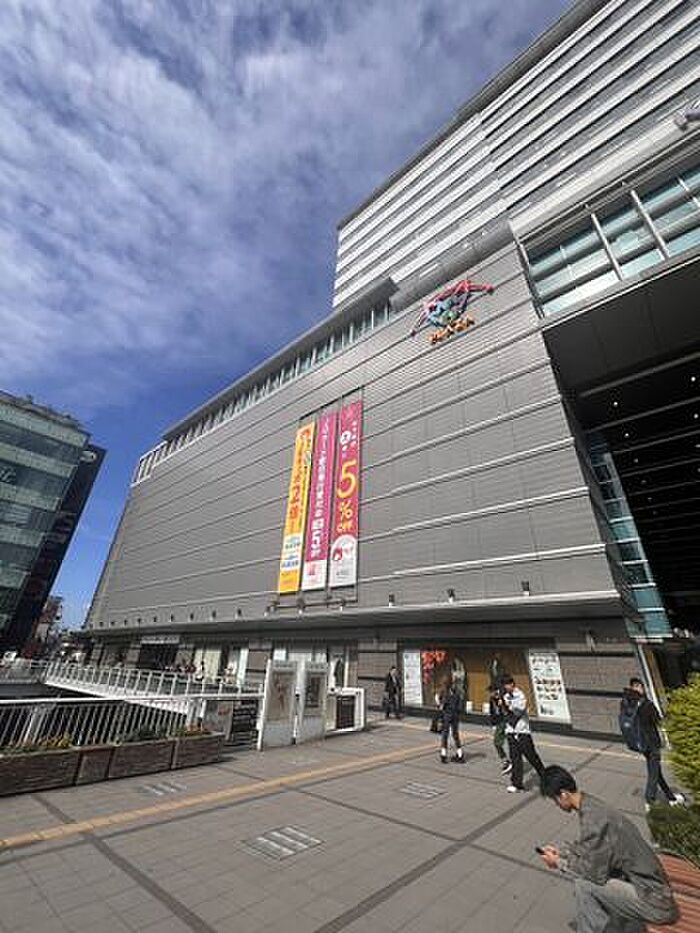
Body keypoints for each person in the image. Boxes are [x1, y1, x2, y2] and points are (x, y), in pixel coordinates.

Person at [539, 765, 678, 932]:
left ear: (563, 794)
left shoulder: (593, 820)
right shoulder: (592, 805)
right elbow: (591, 849)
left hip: (654, 900)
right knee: (594, 881)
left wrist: (558, 863)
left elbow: (592, 873)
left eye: (555, 800)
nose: (557, 805)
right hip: (651, 888)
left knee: (584, 885)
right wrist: (561, 852)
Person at [621, 677, 684, 811]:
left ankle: (671, 797)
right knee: (654, 772)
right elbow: (657, 720)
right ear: (639, 687)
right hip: (652, 742)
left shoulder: (625, 702)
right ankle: (650, 800)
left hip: (640, 742)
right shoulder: (646, 704)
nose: (642, 689)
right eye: (641, 686)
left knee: (656, 771)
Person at [502, 674, 544, 792]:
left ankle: (544, 776)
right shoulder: (505, 696)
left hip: (522, 731)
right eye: (504, 685)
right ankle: (516, 784)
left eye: (507, 684)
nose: (506, 687)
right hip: (511, 731)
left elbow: (519, 710)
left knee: (531, 756)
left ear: (512, 684)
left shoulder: (520, 695)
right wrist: (501, 704)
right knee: (515, 758)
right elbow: (505, 713)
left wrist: (507, 705)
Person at [438, 678, 464, 763]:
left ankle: (443, 755)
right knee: (455, 735)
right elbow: (460, 706)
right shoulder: (457, 693)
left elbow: (441, 705)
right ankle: (460, 755)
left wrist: (440, 704)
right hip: (455, 716)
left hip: (447, 715)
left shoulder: (444, 693)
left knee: (445, 735)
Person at [488, 682, 511, 775]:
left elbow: (506, 710)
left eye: (491, 691)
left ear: (495, 691)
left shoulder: (502, 698)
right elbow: (492, 712)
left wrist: (502, 703)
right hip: (498, 724)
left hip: (503, 722)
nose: (490, 693)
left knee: (497, 742)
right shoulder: (491, 699)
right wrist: (493, 724)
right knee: (498, 743)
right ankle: (506, 760)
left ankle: (507, 761)